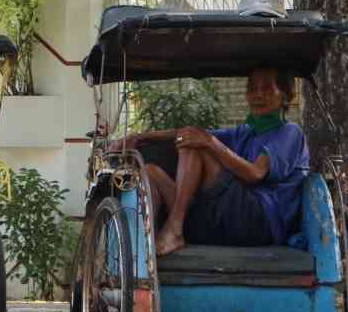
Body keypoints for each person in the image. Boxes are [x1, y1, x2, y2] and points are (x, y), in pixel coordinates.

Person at [115, 66, 311, 255]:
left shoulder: (290, 132)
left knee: (195, 144)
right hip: (228, 217)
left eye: (267, 88)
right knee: (151, 171)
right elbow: (187, 133)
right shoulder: (246, 133)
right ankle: (147, 244)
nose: (257, 95)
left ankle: (174, 230)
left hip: (260, 222)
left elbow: (255, 173)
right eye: (252, 88)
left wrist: (210, 143)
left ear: (286, 95)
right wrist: (140, 137)